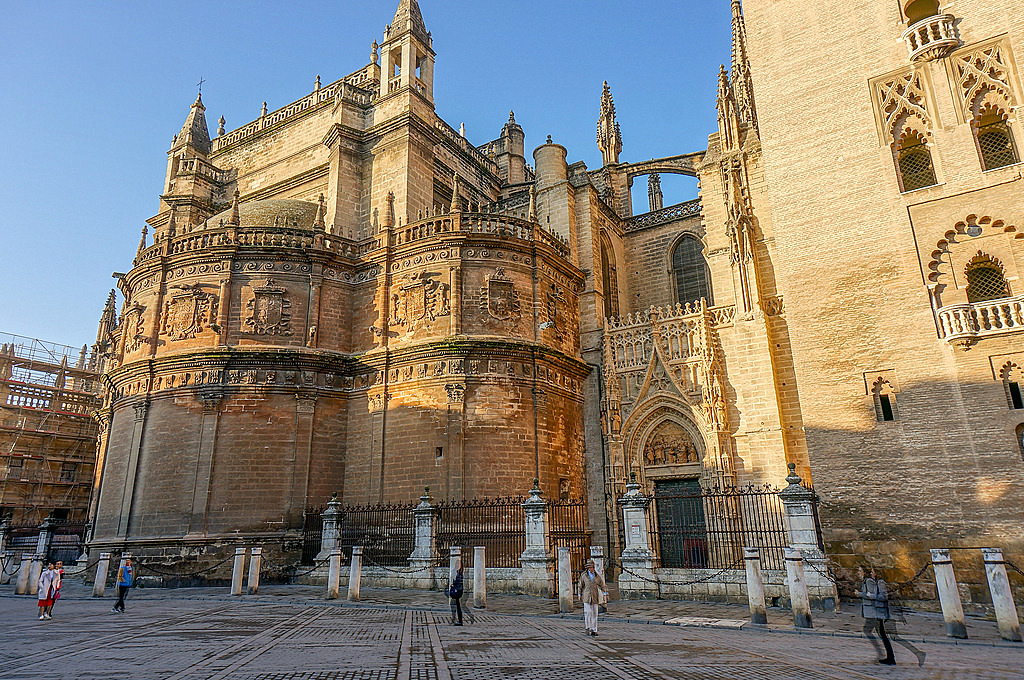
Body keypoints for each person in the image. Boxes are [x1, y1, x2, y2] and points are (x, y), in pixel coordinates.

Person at [858, 565, 925, 667]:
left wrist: (869, 595)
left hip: (882, 614)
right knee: (886, 636)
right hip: (880, 613)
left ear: (877, 572)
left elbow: (883, 597)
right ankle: (891, 658)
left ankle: (915, 654)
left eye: (872, 571)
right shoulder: (877, 582)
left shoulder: (881, 582)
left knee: (890, 636)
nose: (871, 573)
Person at [577, 559, 608, 636]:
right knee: (588, 612)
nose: (592, 569)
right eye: (590, 567)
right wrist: (579, 594)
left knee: (595, 613)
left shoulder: (597, 576)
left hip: (595, 596)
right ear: (588, 568)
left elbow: (602, 585)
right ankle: (588, 627)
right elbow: (580, 585)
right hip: (587, 596)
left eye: (593, 567)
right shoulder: (584, 576)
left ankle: (594, 629)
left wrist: (604, 594)